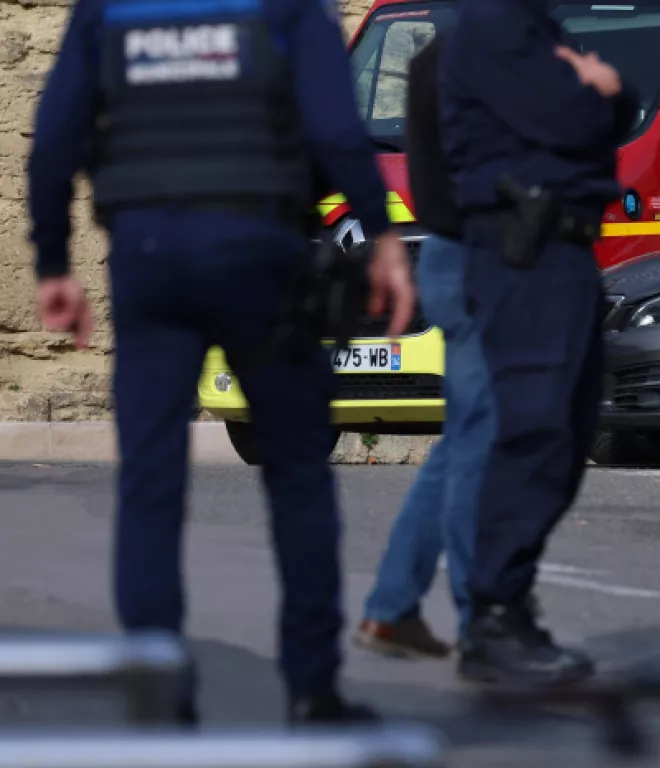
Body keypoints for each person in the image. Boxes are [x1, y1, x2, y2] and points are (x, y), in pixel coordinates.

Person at [27, 0, 415, 723]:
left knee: (150, 477)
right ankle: (311, 688)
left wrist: (53, 260)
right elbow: (335, 130)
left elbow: (55, 138)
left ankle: (155, 687)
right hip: (256, 250)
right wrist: (382, 235)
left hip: (148, 258)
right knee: (297, 471)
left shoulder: (111, 11)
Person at [440, 0, 639, 684]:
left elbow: (618, 110)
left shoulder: (535, 25)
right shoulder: (496, 22)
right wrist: (596, 88)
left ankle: (509, 606)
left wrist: (602, 91)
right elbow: (574, 116)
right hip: (524, 247)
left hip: (562, 248)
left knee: (566, 429)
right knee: (534, 430)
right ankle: (493, 618)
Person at [353, 25, 497, 660]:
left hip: (447, 253)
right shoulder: (492, 59)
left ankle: (392, 608)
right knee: (480, 447)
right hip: (480, 258)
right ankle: (481, 625)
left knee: (465, 442)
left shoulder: (436, 55)